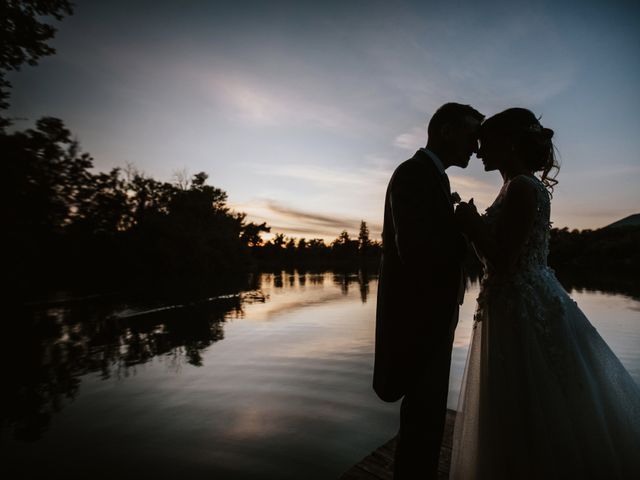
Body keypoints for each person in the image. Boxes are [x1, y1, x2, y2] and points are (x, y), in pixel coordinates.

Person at [451, 108, 640, 479]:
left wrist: (473, 227)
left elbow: (504, 261)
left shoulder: (522, 187)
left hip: (523, 305)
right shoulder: (512, 185)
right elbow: (494, 258)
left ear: (508, 143)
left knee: (533, 399)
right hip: (509, 301)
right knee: (515, 403)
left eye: (485, 143)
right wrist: (473, 229)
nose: (478, 152)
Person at [374, 102, 484, 479]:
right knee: (423, 417)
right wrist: (464, 232)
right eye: (471, 135)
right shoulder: (412, 173)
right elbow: (415, 252)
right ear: (447, 131)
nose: (476, 146)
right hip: (418, 319)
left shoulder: (434, 177)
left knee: (429, 415)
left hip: (432, 316)